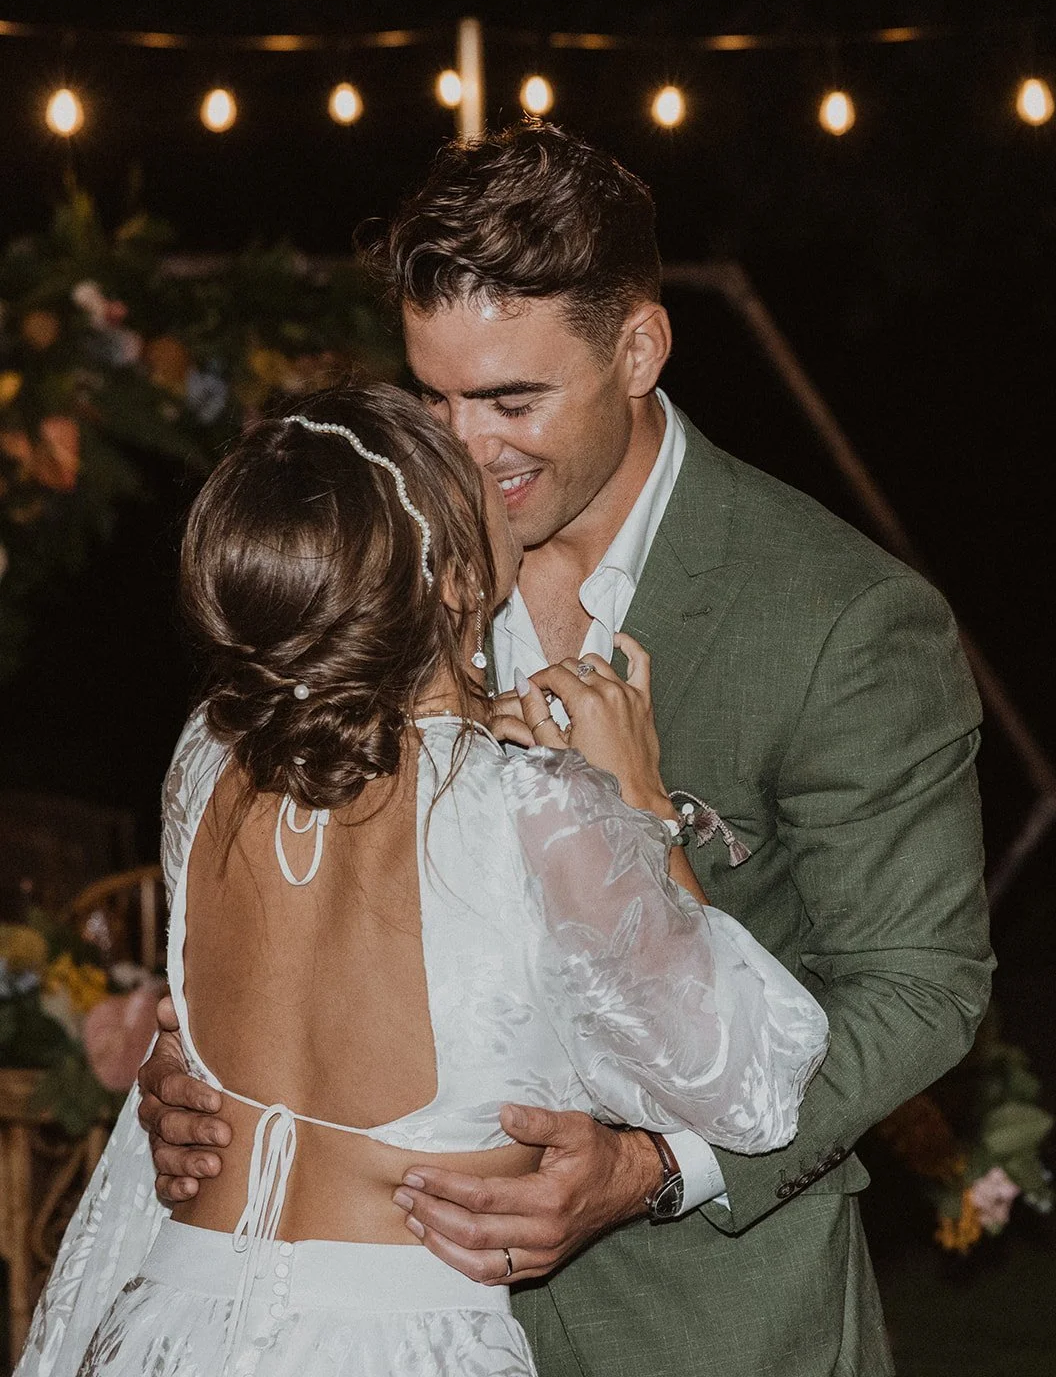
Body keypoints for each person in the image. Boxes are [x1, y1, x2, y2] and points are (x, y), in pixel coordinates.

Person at [140, 124, 994, 1376]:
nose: (461, 448)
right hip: (388, 1319)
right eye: (431, 396)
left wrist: (653, 1167)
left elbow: (918, 987)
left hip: (698, 1325)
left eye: (510, 400)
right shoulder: (385, 555)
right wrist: (216, 1078)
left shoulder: (835, 617)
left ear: (637, 349)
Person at [16, 383, 827, 1377]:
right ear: (453, 582)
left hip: (164, 1331)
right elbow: (747, 1084)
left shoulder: (209, 759)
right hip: (397, 1341)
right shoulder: (535, 809)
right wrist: (637, 807)